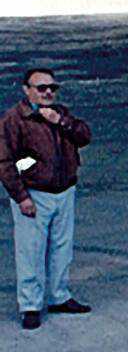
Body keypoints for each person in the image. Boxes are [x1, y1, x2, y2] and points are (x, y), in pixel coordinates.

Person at [0, 68, 93, 330]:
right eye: (41, 88)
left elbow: (84, 136)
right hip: (34, 194)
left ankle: (59, 296)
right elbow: (6, 161)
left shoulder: (60, 114)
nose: (48, 92)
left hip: (64, 190)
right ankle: (30, 305)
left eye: (52, 87)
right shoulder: (14, 120)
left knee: (61, 248)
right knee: (31, 250)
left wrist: (60, 122)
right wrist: (21, 196)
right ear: (26, 90)